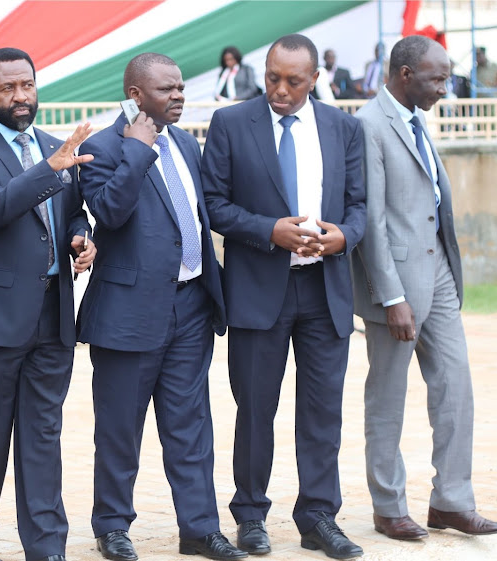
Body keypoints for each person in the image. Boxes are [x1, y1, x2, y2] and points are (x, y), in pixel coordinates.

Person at [201, 34, 366, 559]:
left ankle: (319, 517)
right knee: (255, 409)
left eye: (293, 81)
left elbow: (361, 205)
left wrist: (345, 236)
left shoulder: (345, 128)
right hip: (257, 290)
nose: (280, 89)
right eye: (273, 77)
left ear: (315, 79)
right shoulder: (231, 124)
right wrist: (268, 229)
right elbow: (213, 204)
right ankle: (250, 515)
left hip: (325, 290)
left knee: (323, 413)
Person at [78, 52, 246, 561]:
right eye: (167, 89)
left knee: (191, 428)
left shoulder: (187, 146)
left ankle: (199, 528)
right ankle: (112, 527)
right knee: (119, 430)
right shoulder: (101, 147)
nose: (179, 96)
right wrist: (136, 151)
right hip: (128, 313)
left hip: (190, 307)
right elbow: (107, 212)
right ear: (135, 96)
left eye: (180, 87)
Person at [0, 47, 96, 561]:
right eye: (8, 88)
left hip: (54, 315)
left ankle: (46, 544)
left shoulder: (58, 147)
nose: (20, 97)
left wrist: (82, 238)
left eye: (27, 86)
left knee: (42, 435)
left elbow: (74, 214)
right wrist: (50, 169)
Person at [352, 34, 497, 542]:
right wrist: (391, 296)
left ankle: (451, 501)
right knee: (388, 398)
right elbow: (370, 220)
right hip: (396, 283)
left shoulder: (416, 121)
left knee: (456, 387)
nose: (446, 87)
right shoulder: (369, 126)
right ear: (406, 74)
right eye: (438, 78)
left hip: (437, 273)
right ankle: (388, 507)